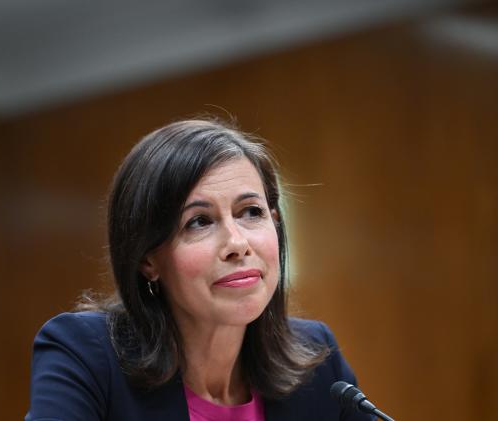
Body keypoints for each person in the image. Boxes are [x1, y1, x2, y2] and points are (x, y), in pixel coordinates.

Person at [25, 118, 375, 421]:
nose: (237, 243)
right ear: (148, 259)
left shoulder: (318, 364)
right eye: (199, 222)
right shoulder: (86, 355)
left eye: (251, 212)